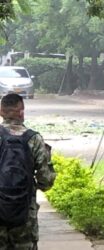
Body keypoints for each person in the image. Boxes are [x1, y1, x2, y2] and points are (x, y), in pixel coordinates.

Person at [0, 93, 56, 249]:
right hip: (24, 213)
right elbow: (46, 181)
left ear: (1, 111)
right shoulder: (34, 139)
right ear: (21, 112)